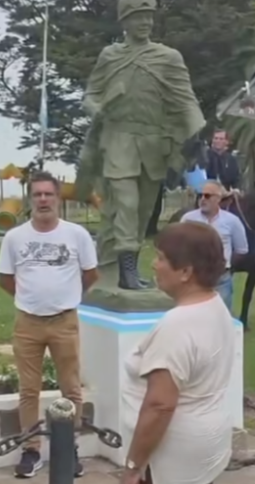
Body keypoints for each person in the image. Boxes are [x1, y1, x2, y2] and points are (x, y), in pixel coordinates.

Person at [120, 221, 234, 484]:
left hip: (173, 455)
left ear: (185, 272)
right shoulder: (215, 306)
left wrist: (134, 464)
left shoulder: (178, 326)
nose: (154, 265)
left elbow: (160, 405)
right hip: (205, 442)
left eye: (161, 258)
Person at [75, 0, 207, 290]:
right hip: (118, 139)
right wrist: (96, 109)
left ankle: (124, 268)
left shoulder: (168, 57)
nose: (145, 23)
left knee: (144, 212)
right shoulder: (110, 56)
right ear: (125, 22)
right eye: (138, 17)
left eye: (148, 17)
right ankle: (126, 273)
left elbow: (185, 99)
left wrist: (195, 130)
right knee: (126, 204)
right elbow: (90, 95)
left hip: (153, 145)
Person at [0, 172, 99, 478]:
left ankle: (70, 450)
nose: (43, 200)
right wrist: (30, 298)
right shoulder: (14, 238)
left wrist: (65, 297)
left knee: (71, 389)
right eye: (37, 195)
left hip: (64, 322)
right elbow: (4, 279)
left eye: (48, 194)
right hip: (27, 323)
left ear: (57, 199)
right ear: (30, 199)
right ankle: (31, 451)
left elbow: (91, 275)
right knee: (29, 390)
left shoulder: (77, 235)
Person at [180, 180, 248, 313]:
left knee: (220, 317)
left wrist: (226, 265)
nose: (202, 199)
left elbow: (241, 250)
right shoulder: (188, 219)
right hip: (193, 277)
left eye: (207, 196)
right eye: (200, 195)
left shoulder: (232, 221)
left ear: (218, 199)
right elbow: (179, 246)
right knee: (192, 316)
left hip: (221, 279)